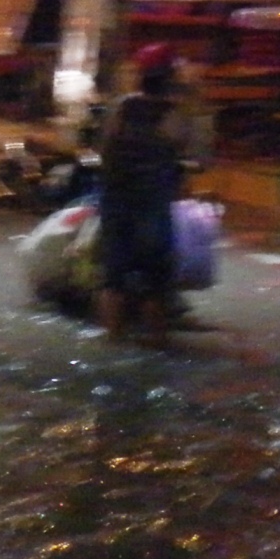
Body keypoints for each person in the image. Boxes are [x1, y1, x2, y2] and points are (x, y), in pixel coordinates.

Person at [95, 44, 187, 345]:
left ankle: (113, 335)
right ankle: (158, 339)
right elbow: (187, 151)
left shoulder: (122, 107)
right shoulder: (174, 113)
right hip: (153, 203)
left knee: (114, 274)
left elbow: (106, 146)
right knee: (156, 276)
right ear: (169, 77)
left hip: (116, 198)